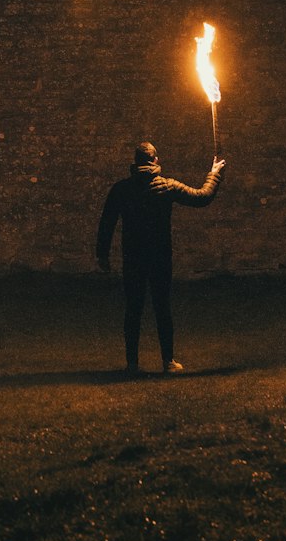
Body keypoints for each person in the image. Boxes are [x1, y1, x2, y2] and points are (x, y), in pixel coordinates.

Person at [96, 142, 226, 376]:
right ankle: (168, 361)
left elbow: (107, 223)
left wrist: (102, 255)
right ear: (155, 161)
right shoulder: (167, 186)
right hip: (159, 256)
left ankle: (132, 364)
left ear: (136, 163)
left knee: (133, 309)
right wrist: (214, 174)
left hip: (133, 257)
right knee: (162, 307)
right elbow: (202, 197)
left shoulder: (121, 189)